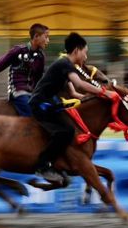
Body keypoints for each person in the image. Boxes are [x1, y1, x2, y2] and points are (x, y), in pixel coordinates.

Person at [28, 32, 118, 182]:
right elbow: (80, 84)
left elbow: (74, 92)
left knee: (70, 126)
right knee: (66, 131)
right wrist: (104, 92)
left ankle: (59, 163)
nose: (86, 57)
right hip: (40, 105)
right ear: (77, 50)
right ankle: (43, 166)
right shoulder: (65, 64)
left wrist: (91, 99)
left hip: (49, 104)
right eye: (85, 53)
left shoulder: (65, 66)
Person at [0, 23, 50, 116]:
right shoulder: (18, 50)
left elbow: (38, 78)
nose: (48, 41)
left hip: (31, 93)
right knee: (31, 115)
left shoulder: (41, 56)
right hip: (18, 91)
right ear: (36, 36)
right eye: (46, 37)